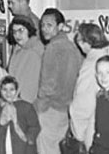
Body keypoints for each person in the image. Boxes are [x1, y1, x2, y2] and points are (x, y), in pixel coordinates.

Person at [34, 8, 82, 154]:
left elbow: (47, 85)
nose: (44, 29)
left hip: (49, 110)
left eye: (49, 25)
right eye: (42, 25)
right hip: (66, 110)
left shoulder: (52, 48)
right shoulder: (73, 48)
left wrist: (38, 107)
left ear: (60, 26)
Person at [70, 23, 109, 150]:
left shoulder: (91, 64)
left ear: (85, 42)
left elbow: (83, 103)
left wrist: (78, 135)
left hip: (93, 128)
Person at [0, 76, 40, 154]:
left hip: (23, 147)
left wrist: (27, 138)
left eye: (12, 89)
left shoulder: (26, 107)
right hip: (2, 147)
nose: (8, 93)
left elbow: (35, 126)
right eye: (5, 89)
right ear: (0, 90)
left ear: (17, 90)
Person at [7, 16, 44, 103]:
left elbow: (29, 87)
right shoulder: (19, 48)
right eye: (14, 32)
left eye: (21, 30)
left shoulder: (34, 52)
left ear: (29, 30)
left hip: (25, 103)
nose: (17, 35)